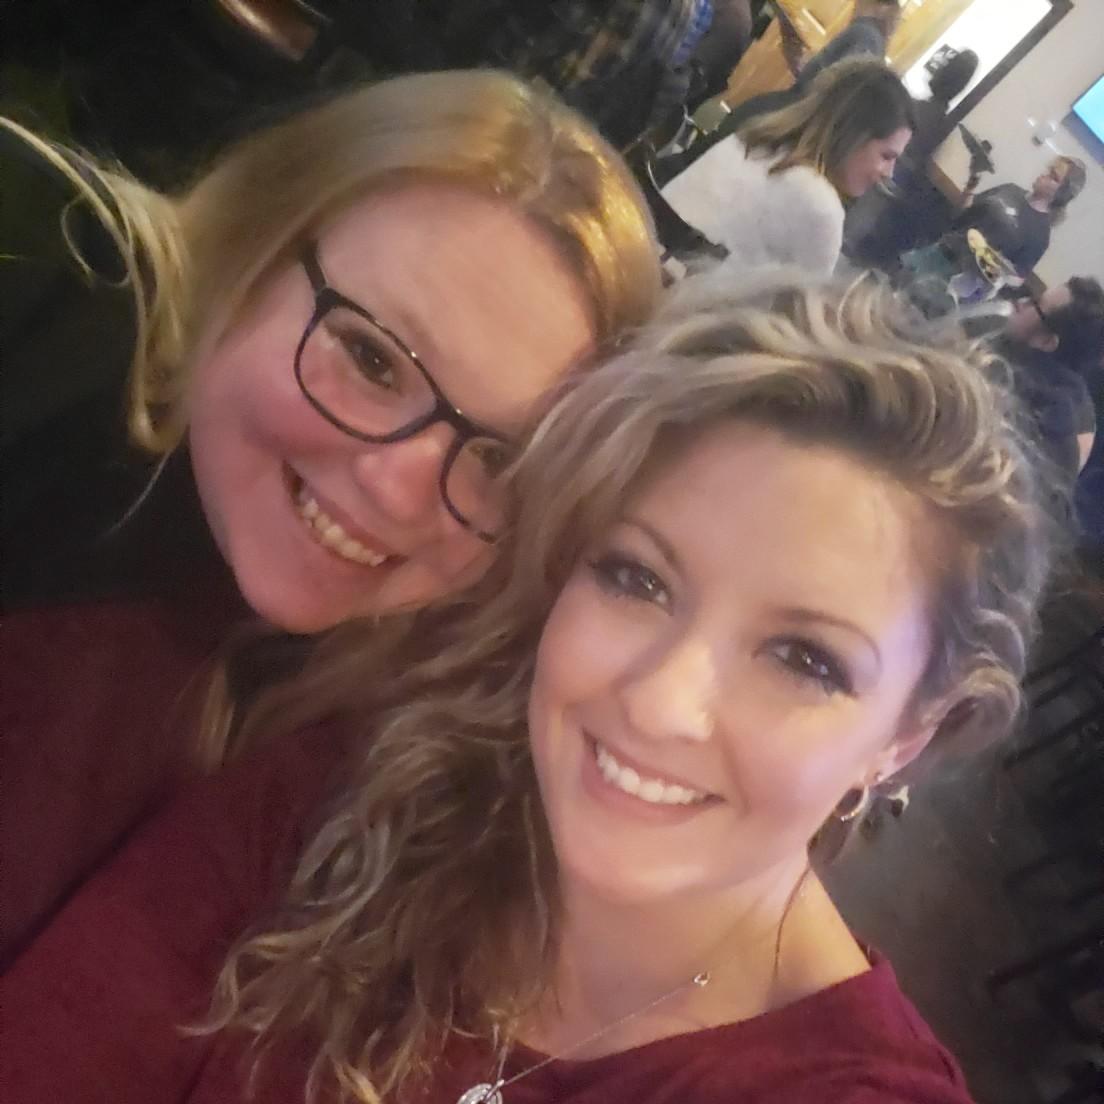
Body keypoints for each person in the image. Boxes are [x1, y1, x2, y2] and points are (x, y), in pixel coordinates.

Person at [2, 270, 1063, 1103]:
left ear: (908, 736)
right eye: (637, 578)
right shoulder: (368, 782)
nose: (659, 702)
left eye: (804, 659)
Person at [0, 69, 661, 965]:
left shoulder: (365, 738)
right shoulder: (43, 296)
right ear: (261, 234)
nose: (399, 489)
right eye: (372, 359)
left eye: (500, 461)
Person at [661, 59, 913, 271]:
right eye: (886, 156)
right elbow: (801, 309)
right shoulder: (821, 206)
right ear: (852, 136)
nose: (889, 173)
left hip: (649, 257)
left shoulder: (756, 139)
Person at [993, 276, 1103, 481]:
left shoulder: (1015, 392)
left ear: (1047, 342)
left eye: (1035, 302)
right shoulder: (1079, 409)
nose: (1021, 302)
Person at [952, 155, 1087, 278]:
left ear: (1062, 193)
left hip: (967, 275)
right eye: (1049, 169)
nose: (1044, 174)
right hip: (948, 246)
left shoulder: (1040, 234)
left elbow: (1016, 278)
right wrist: (973, 180)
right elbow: (967, 207)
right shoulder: (1010, 189)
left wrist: (996, 264)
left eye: (1053, 176)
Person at [792, 0, 902, 88]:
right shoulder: (871, 37)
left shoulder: (865, 33)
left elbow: (843, 83)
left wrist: (811, 67)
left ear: (882, 7)